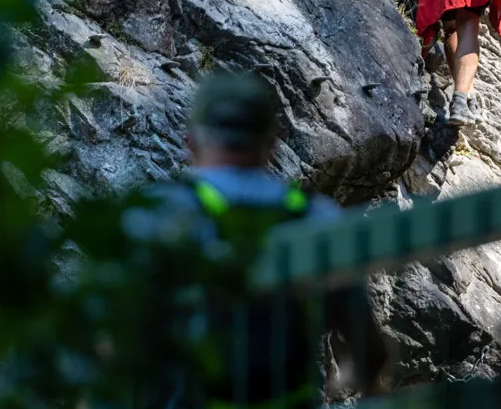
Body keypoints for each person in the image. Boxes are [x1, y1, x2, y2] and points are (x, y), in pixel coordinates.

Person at [126, 71, 388, 406]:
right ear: (272, 142)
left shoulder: (159, 213)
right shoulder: (314, 216)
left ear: (192, 140)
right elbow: (366, 343)